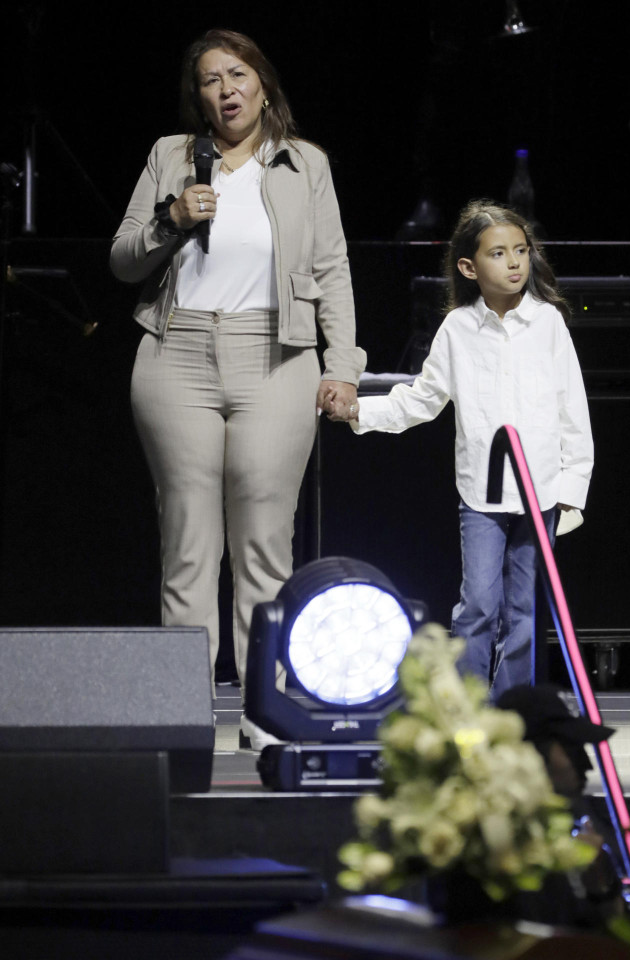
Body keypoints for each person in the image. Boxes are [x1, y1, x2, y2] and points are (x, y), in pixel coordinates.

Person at [110, 28, 366, 750]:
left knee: (263, 545)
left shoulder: (304, 163)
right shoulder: (170, 156)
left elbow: (333, 269)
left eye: (238, 74)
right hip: (177, 354)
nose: (226, 90)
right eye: (210, 80)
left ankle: (266, 714)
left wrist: (342, 367)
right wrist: (171, 217)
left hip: (276, 356)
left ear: (262, 83)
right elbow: (123, 259)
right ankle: (185, 717)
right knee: (188, 546)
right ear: (197, 97)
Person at [327, 200, 593, 699]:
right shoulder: (458, 329)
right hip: (481, 496)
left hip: (540, 492)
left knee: (525, 609)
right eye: (499, 253)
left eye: (521, 250)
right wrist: (359, 410)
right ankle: (467, 705)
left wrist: (572, 486)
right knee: (478, 604)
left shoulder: (548, 324)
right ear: (470, 267)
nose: (514, 262)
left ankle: (512, 708)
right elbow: (422, 399)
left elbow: (572, 410)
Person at [496, 683, 626, 925]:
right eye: (571, 748)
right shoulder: (496, 848)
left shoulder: (564, 828)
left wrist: (599, 884)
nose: (586, 765)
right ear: (532, 753)